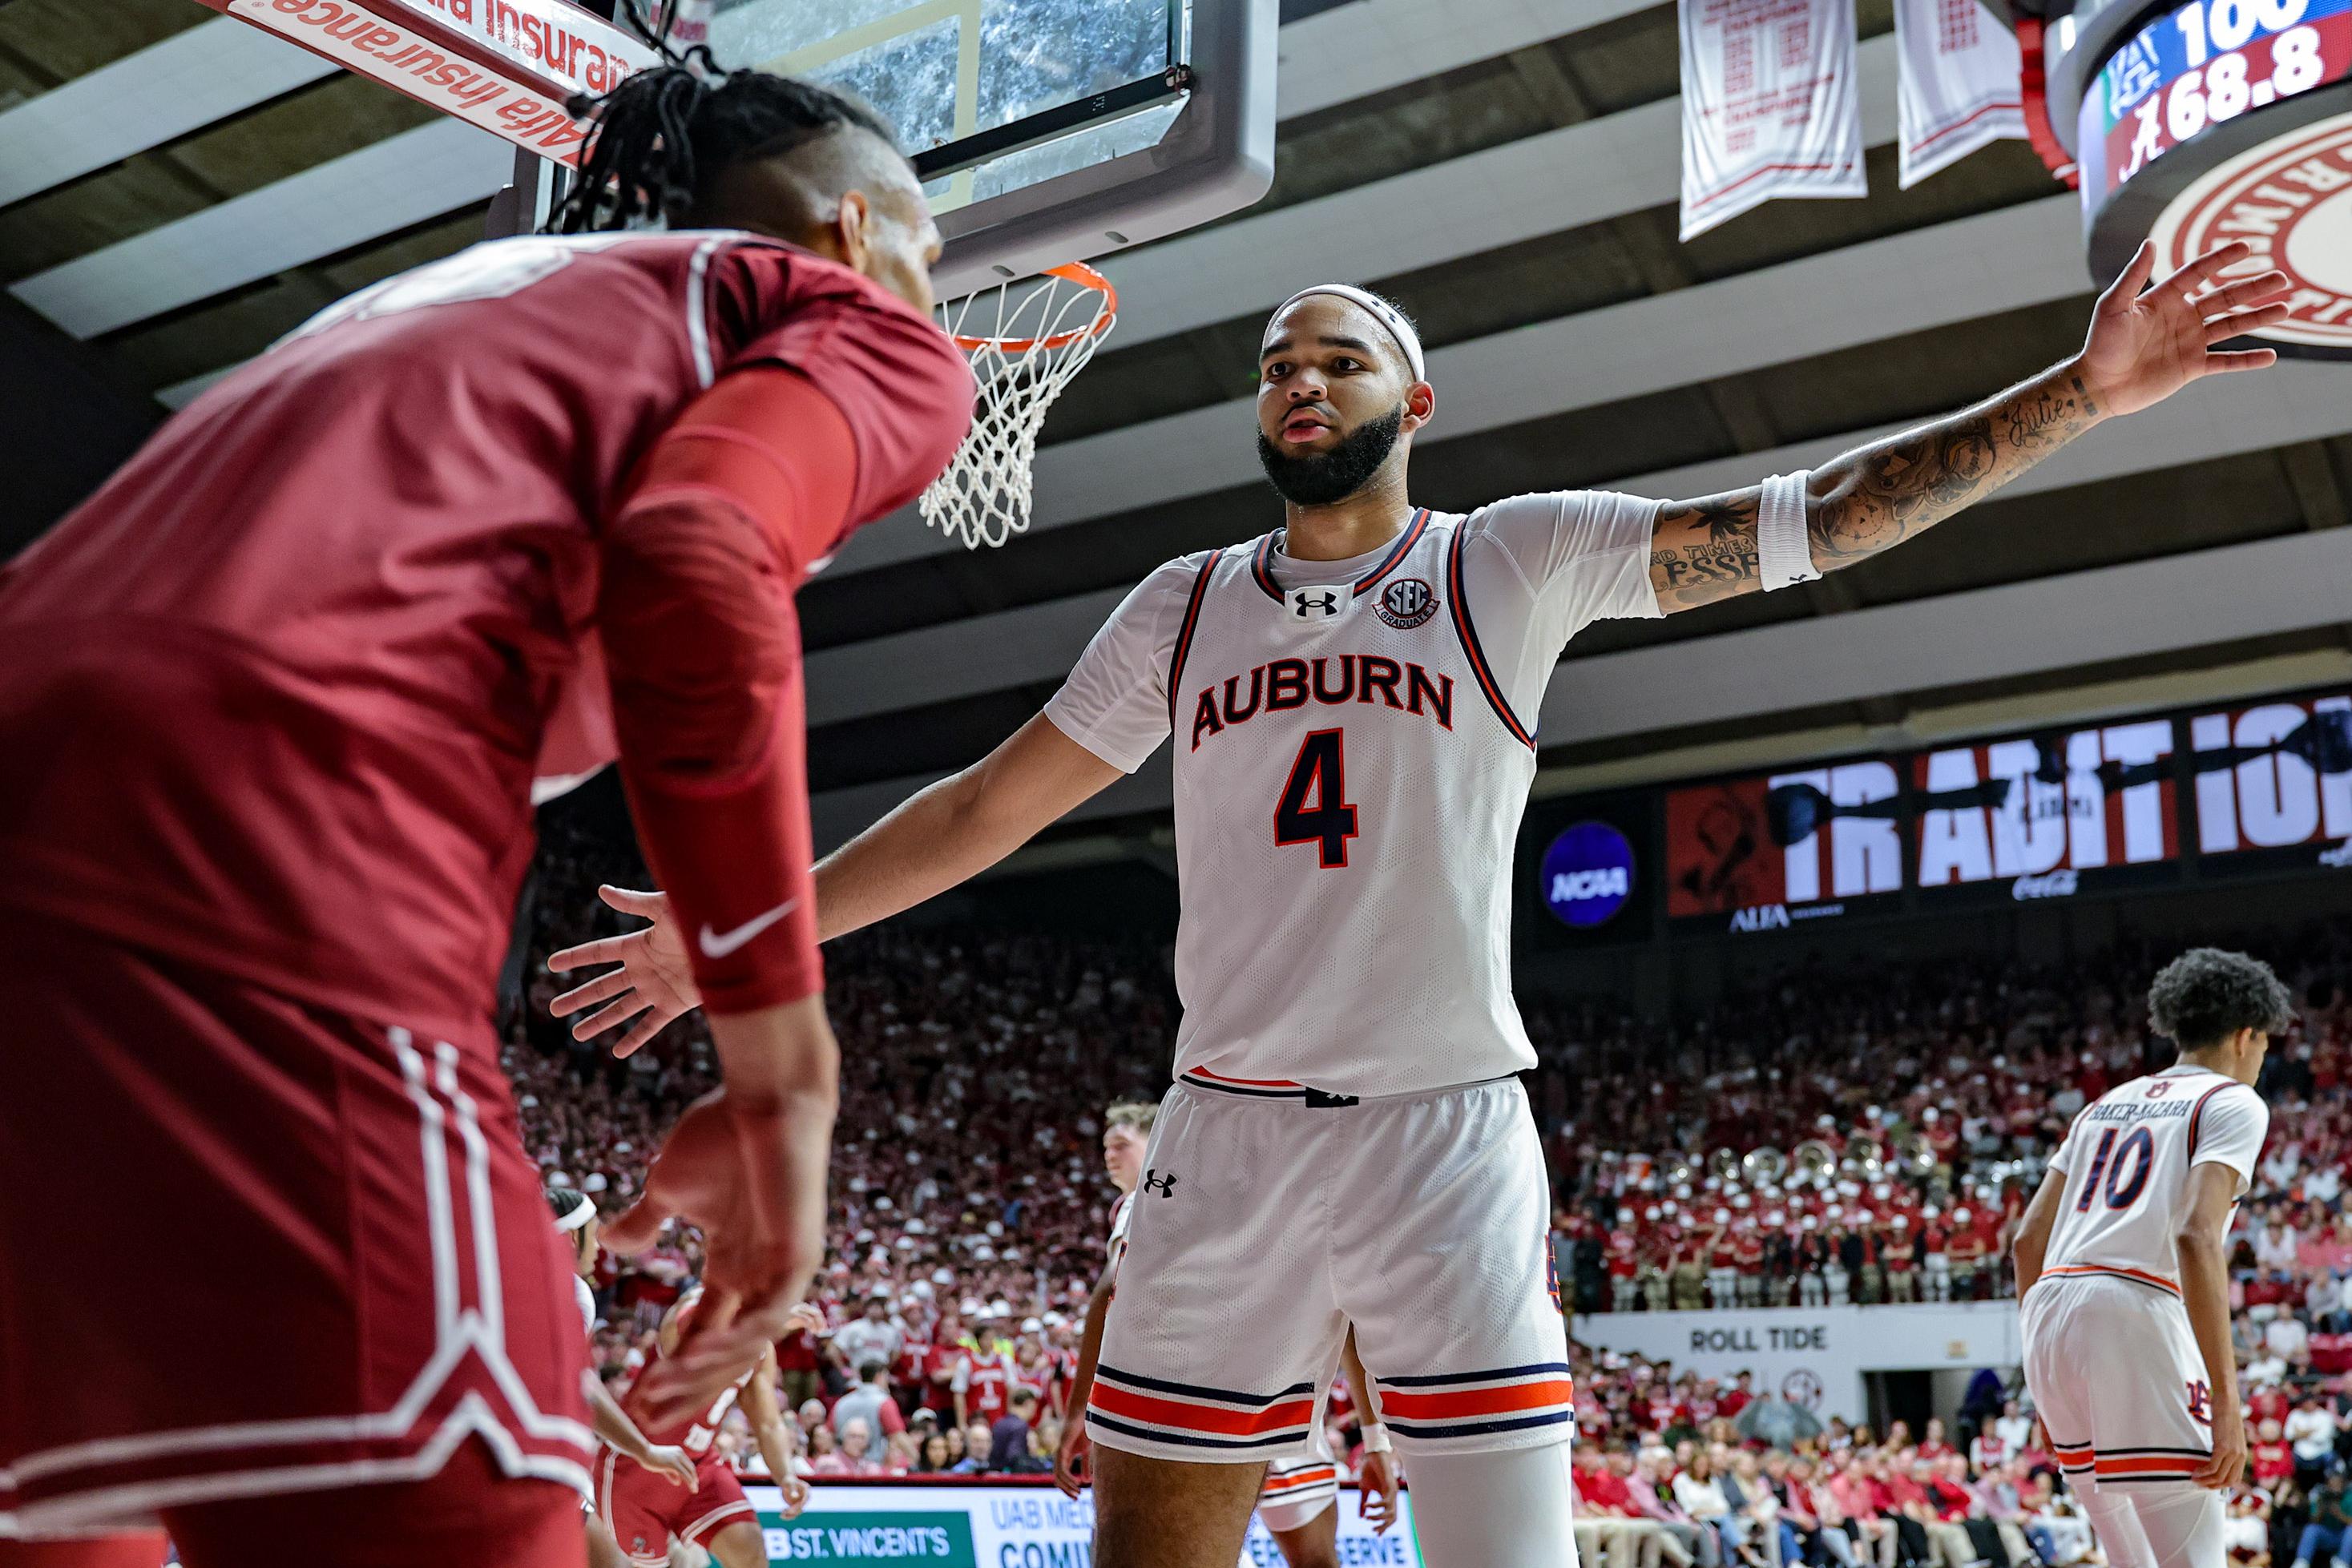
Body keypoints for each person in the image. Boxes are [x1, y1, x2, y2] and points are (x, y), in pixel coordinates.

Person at [550, 237, 2293, 1568]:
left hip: (1442, 1134)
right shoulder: (1182, 603)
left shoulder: (1505, 559)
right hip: (1221, 1133)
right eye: (1273, 367)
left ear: (1416, 401)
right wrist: (738, 939)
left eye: (1338, 356)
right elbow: (985, 807)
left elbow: (1818, 517)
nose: (1298, 382)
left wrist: (2082, 393)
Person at [0, 54, 975, 1568]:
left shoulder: (451, 303)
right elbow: (699, 554)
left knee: (81, 1513)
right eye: (933, 247)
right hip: (263, 837)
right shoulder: (831, 316)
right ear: (856, 230)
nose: (938, 293)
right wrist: (784, 1078)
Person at [2014, 947, 2295, 1568]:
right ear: (2244, 1034)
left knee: (2129, 1559)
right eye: (2264, 1042)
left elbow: (2025, 1242)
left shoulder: (2103, 1105)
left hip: (2049, 1315)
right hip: (2131, 1308)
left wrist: (2045, 1384)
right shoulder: (2230, 1100)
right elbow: (2194, 1234)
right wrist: (2226, 1398)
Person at [548, 1187, 704, 1568]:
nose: (600, 1247)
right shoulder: (568, 1290)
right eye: (594, 1233)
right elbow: (583, 1385)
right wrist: (644, 1450)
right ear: (572, 1239)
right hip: (528, 1455)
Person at [595, 1288, 801, 1568]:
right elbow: (700, 1328)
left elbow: (767, 1423)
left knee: (750, 1551)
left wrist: (786, 1475)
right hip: (637, 1467)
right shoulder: (692, 1310)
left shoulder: (761, 1349)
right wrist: (761, 1319)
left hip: (699, 1466)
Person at [2295, 1469, 2351, 1568]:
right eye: (2332, 1484)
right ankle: (2302, 1562)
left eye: (2338, 1484)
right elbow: (2313, 1521)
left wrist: (2340, 1515)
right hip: (2327, 1536)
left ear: (2343, 1484)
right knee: (2311, 1529)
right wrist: (2320, 1511)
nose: (2335, 1487)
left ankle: (2342, 1563)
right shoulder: (2321, 1496)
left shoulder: (2349, 1497)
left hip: (2344, 1537)